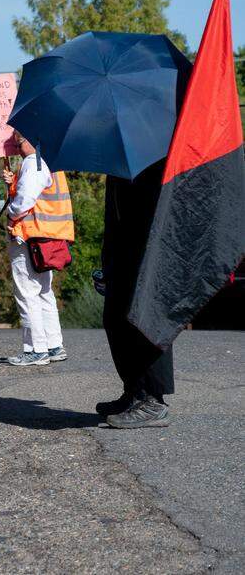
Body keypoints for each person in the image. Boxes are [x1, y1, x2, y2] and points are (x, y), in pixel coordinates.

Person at [96, 160, 174, 428]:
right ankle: (135, 392)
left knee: (147, 321)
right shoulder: (118, 157)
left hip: (148, 247)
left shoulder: (154, 150)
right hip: (122, 248)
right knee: (115, 319)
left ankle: (154, 400)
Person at [2, 130, 73, 366]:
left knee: (27, 292)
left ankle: (35, 349)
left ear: (28, 140)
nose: (17, 148)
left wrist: (11, 213)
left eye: (18, 141)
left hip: (29, 237)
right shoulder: (50, 162)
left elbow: (24, 201)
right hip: (47, 238)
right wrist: (13, 184)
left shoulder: (33, 164)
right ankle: (53, 345)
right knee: (43, 292)